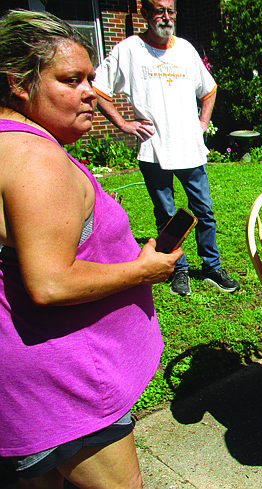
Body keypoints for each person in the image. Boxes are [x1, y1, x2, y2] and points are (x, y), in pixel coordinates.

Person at [0, 9, 183, 487]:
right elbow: (51, 281)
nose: (92, 92)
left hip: (27, 386)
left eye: (92, 78)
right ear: (19, 83)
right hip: (66, 386)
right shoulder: (34, 159)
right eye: (71, 79)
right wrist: (146, 269)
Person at [93, 0, 240, 297]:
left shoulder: (185, 49)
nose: (166, 16)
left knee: (204, 211)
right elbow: (98, 89)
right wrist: (123, 123)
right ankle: (179, 269)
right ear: (144, 14)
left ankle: (211, 267)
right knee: (167, 215)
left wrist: (202, 123)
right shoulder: (129, 50)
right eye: (159, 10)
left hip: (189, 149)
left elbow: (209, 89)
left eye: (170, 10)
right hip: (153, 150)